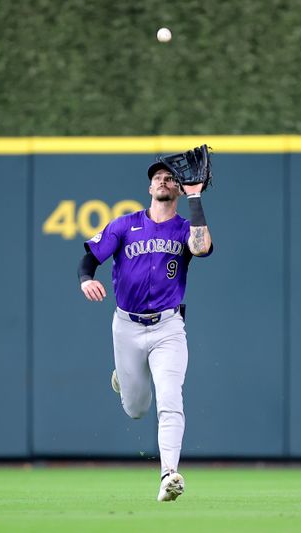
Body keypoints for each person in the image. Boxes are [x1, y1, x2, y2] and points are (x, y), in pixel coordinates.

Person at [77, 158, 213, 502]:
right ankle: (125, 375)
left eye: (170, 178)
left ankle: (169, 474)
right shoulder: (125, 225)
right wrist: (85, 280)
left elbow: (202, 248)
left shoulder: (185, 227)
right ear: (150, 188)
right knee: (136, 408)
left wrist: (196, 198)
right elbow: (90, 257)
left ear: (178, 189)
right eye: (158, 178)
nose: (164, 181)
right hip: (127, 326)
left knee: (170, 398)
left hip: (169, 326)